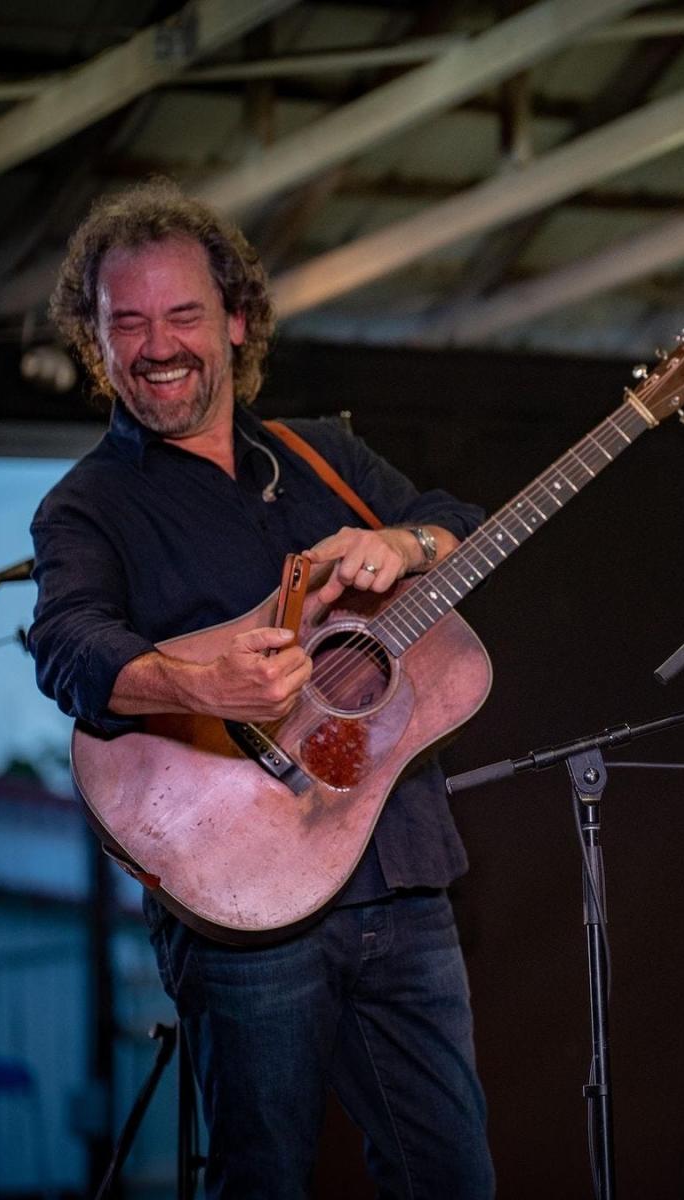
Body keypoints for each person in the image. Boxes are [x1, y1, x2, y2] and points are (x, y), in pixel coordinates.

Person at [28, 178, 495, 1199]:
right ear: (96, 341)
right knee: (261, 1183)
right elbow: (67, 648)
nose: (158, 345)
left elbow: (453, 515)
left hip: (402, 876)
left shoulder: (320, 454)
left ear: (236, 321)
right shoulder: (85, 508)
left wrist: (399, 540)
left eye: (184, 315)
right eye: (129, 323)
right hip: (240, 906)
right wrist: (199, 681)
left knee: (451, 1181)